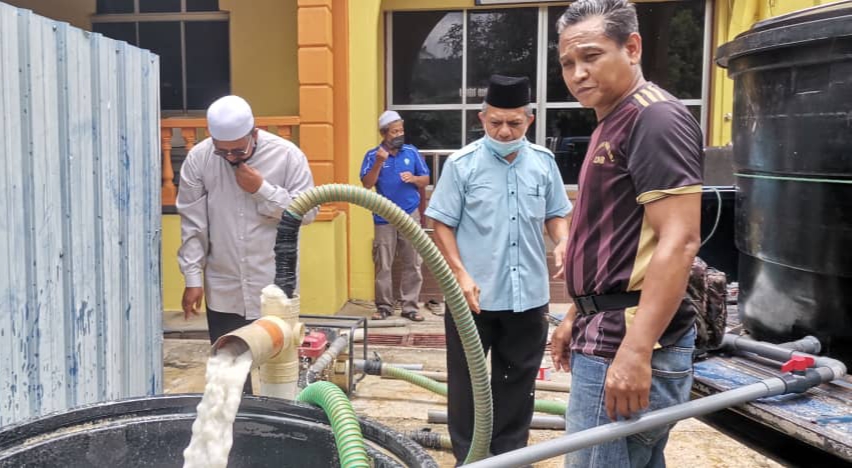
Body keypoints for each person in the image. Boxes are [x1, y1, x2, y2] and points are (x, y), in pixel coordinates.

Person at [548, 1, 704, 466]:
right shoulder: (611, 120)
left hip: (629, 340)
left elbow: (679, 240)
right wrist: (577, 313)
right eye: (568, 63)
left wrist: (636, 353)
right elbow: (615, 241)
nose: (578, 73)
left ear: (632, 47)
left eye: (591, 56)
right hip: (607, 330)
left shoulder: (653, 118)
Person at [426, 74, 572, 464]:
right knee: (468, 384)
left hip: (529, 295)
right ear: (482, 118)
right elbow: (442, 223)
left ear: (530, 119)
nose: (504, 131)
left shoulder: (543, 164)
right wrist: (459, 272)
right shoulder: (462, 165)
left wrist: (563, 239)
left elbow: (557, 213)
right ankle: (470, 458)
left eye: (514, 123)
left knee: (517, 381)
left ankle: (508, 457)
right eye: (495, 123)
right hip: (472, 297)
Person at [177, 95, 316, 393]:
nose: (230, 157)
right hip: (223, 286)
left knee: (275, 378)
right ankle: (235, 435)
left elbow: (309, 212)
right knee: (228, 380)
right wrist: (192, 277)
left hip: (273, 286)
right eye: (222, 151)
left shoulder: (287, 156)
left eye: (237, 150)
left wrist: (262, 190)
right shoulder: (200, 159)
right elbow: (193, 222)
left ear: (254, 133)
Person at [360, 110, 430, 322]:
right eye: (394, 131)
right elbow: (367, 184)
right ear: (384, 134)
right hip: (384, 216)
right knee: (384, 263)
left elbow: (426, 179)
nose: (399, 134)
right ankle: (384, 307)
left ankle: (410, 306)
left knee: (413, 262)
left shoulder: (411, 152)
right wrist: (379, 163)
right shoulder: (373, 156)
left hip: (409, 214)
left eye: (401, 130)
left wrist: (414, 179)